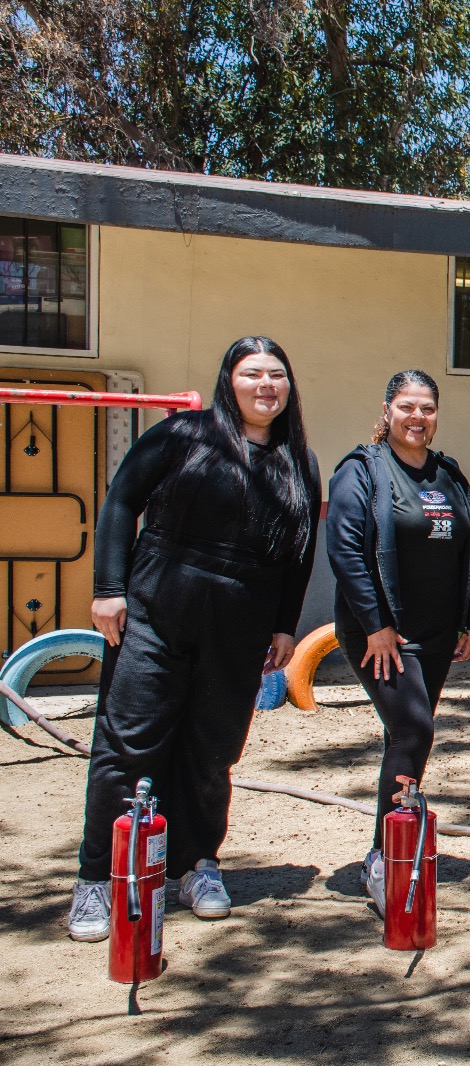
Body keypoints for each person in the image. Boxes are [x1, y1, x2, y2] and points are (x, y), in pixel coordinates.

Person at [67, 337, 321, 941]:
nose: (266, 385)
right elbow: (120, 500)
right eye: (252, 374)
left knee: (212, 752)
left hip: (239, 627)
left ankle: (195, 863)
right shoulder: (182, 435)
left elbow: (300, 555)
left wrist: (286, 623)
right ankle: (97, 879)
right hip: (156, 614)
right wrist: (109, 589)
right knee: (129, 745)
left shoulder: (299, 460)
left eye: (276, 375)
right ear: (228, 381)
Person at [326, 369, 470, 915]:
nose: (417, 417)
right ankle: (383, 856)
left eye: (427, 408)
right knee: (414, 726)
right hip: (381, 635)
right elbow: (346, 553)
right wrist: (375, 624)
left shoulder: (449, 475)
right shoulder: (361, 471)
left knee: (409, 737)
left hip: (439, 634)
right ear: (388, 410)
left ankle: (401, 838)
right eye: (407, 407)